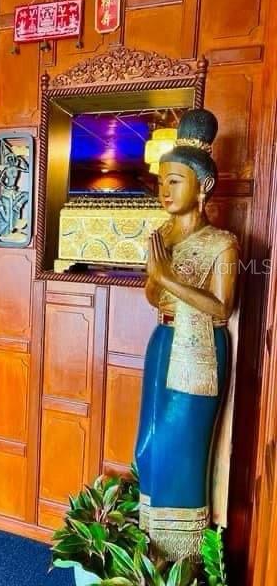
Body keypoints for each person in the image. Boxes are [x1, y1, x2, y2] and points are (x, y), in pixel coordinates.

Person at [135, 108, 239, 561]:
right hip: (162, 342)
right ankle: (151, 543)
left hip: (200, 352)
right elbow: (153, 297)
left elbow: (222, 307)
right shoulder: (163, 236)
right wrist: (156, 277)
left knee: (179, 446)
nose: (165, 190)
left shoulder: (223, 243)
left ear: (203, 187)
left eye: (175, 181)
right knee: (147, 445)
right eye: (162, 181)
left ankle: (185, 555)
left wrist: (167, 277)